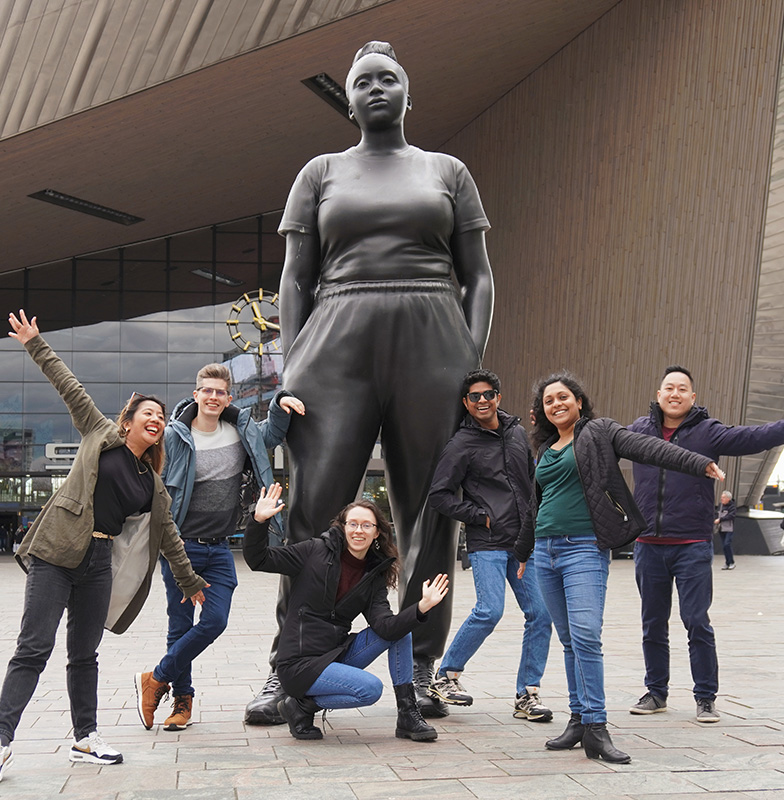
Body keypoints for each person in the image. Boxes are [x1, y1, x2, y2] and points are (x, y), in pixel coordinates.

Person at [247, 39, 494, 724]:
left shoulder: (448, 170)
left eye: (389, 79)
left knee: (431, 511)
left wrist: (469, 360)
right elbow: (295, 277)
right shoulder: (320, 172)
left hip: (433, 341)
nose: (376, 88)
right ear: (348, 99)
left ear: (408, 96)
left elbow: (479, 274)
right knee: (312, 512)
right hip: (337, 342)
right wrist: (292, 363)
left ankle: (417, 665)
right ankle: (291, 667)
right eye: (363, 81)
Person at [0, 310, 207, 787]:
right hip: (56, 553)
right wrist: (35, 343)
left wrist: (189, 582)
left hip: (98, 564)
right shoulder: (101, 435)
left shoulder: (153, 482)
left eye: (161, 417)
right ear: (129, 420)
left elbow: (168, 537)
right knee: (33, 648)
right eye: (149, 414)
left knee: (85, 654)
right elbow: (68, 384)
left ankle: (86, 736)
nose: (157, 420)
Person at [513, 373, 722, 764]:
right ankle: (577, 718)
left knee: (587, 635)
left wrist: (697, 463)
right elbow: (534, 506)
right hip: (546, 551)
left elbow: (649, 448)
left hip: (584, 550)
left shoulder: (600, 432)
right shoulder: (544, 448)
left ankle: (596, 726)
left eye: (563, 397)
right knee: (571, 641)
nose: (556, 404)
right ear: (541, 411)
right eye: (548, 401)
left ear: (578, 401)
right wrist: (523, 551)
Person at [627, 366, 784, 723]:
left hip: (691, 544)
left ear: (692, 397)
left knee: (696, 620)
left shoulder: (708, 432)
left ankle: (705, 697)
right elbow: (599, 440)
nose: (675, 394)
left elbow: (758, 436)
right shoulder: (639, 431)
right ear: (658, 394)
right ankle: (656, 692)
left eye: (683, 389)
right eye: (669, 388)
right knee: (652, 622)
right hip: (648, 543)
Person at [134, 364, 304, 732]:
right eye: (206, 390)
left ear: (229, 397)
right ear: (196, 395)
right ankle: (182, 701)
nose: (213, 397)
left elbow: (273, 432)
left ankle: (156, 677)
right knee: (179, 627)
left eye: (220, 392)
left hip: (219, 550)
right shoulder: (174, 436)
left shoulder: (242, 431)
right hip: (180, 548)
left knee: (215, 621)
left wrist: (281, 399)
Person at [245, 483, 449, 743]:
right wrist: (258, 521)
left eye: (366, 525)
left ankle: (408, 714)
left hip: (335, 654)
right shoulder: (314, 551)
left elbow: (385, 627)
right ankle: (303, 705)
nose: (358, 531)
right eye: (352, 524)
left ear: (377, 533)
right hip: (299, 663)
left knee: (401, 630)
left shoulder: (373, 574)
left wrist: (421, 608)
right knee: (370, 689)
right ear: (342, 527)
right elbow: (258, 559)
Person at [426, 369, 552, 722]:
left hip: (524, 541)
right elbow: (439, 495)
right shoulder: (461, 444)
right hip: (489, 542)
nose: (483, 400)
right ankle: (447, 675)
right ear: (466, 403)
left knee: (541, 614)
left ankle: (527, 694)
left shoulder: (515, 434)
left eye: (489, 394)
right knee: (490, 610)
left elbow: (531, 480)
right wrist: (480, 516)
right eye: (475, 396)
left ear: (498, 396)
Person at [716, 491, 736, 570]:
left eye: (723, 497)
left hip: (729, 528)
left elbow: (731, 516)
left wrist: (720, 519)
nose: (722, 499)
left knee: (727, 544)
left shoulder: (732, 507)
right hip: (721, 528)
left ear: (728, 498)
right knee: (724, 546)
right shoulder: (720, 506)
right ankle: (727, 562)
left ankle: (731, 562)